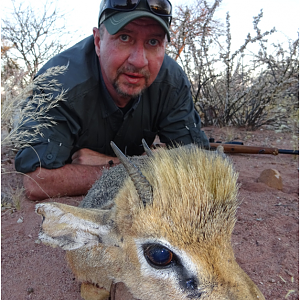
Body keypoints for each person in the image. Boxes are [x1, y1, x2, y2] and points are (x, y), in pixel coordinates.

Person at [15, 0, 209, 201]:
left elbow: (196, 163)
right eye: (124, 37)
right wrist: (154, 166)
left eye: (153, 42)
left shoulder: (172, 82)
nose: (139, 61)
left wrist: (115, 164)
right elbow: (37, 180)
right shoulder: (60, 81)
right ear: (98, 42)